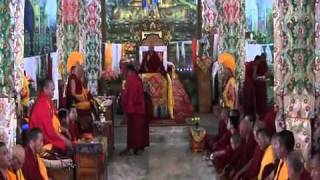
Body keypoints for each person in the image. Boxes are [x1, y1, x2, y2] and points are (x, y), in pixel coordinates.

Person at [29, 79, 72, 153]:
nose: (53, 92)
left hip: (51, 134)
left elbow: (53, 123)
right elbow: (49, 131)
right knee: (65, 146)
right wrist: (65, 140)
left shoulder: (48, 101)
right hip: (44, 140)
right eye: (52, 90)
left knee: (67, 138)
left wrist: (63, 130)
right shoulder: (42, 104)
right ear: (45, 89)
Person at [121, 64, 149, 155]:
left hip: (132, 108)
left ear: (129, 71)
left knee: (132, 130)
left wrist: (124, 106)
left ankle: (131, 148)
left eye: (125, 71)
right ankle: (139, 147)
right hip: (140, 108)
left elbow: (127, 95)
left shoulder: (130, 80)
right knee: (139, 129)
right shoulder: (138, 79)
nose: (124, 73)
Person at [66, 63, 93, 134]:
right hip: (75, 106)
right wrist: (80, 97)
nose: (82, 74)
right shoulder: (73, 78)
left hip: (79, 104)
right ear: (79, 71)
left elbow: (83, 91)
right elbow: (72, 93)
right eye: (81, 72)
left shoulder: (78, 79)